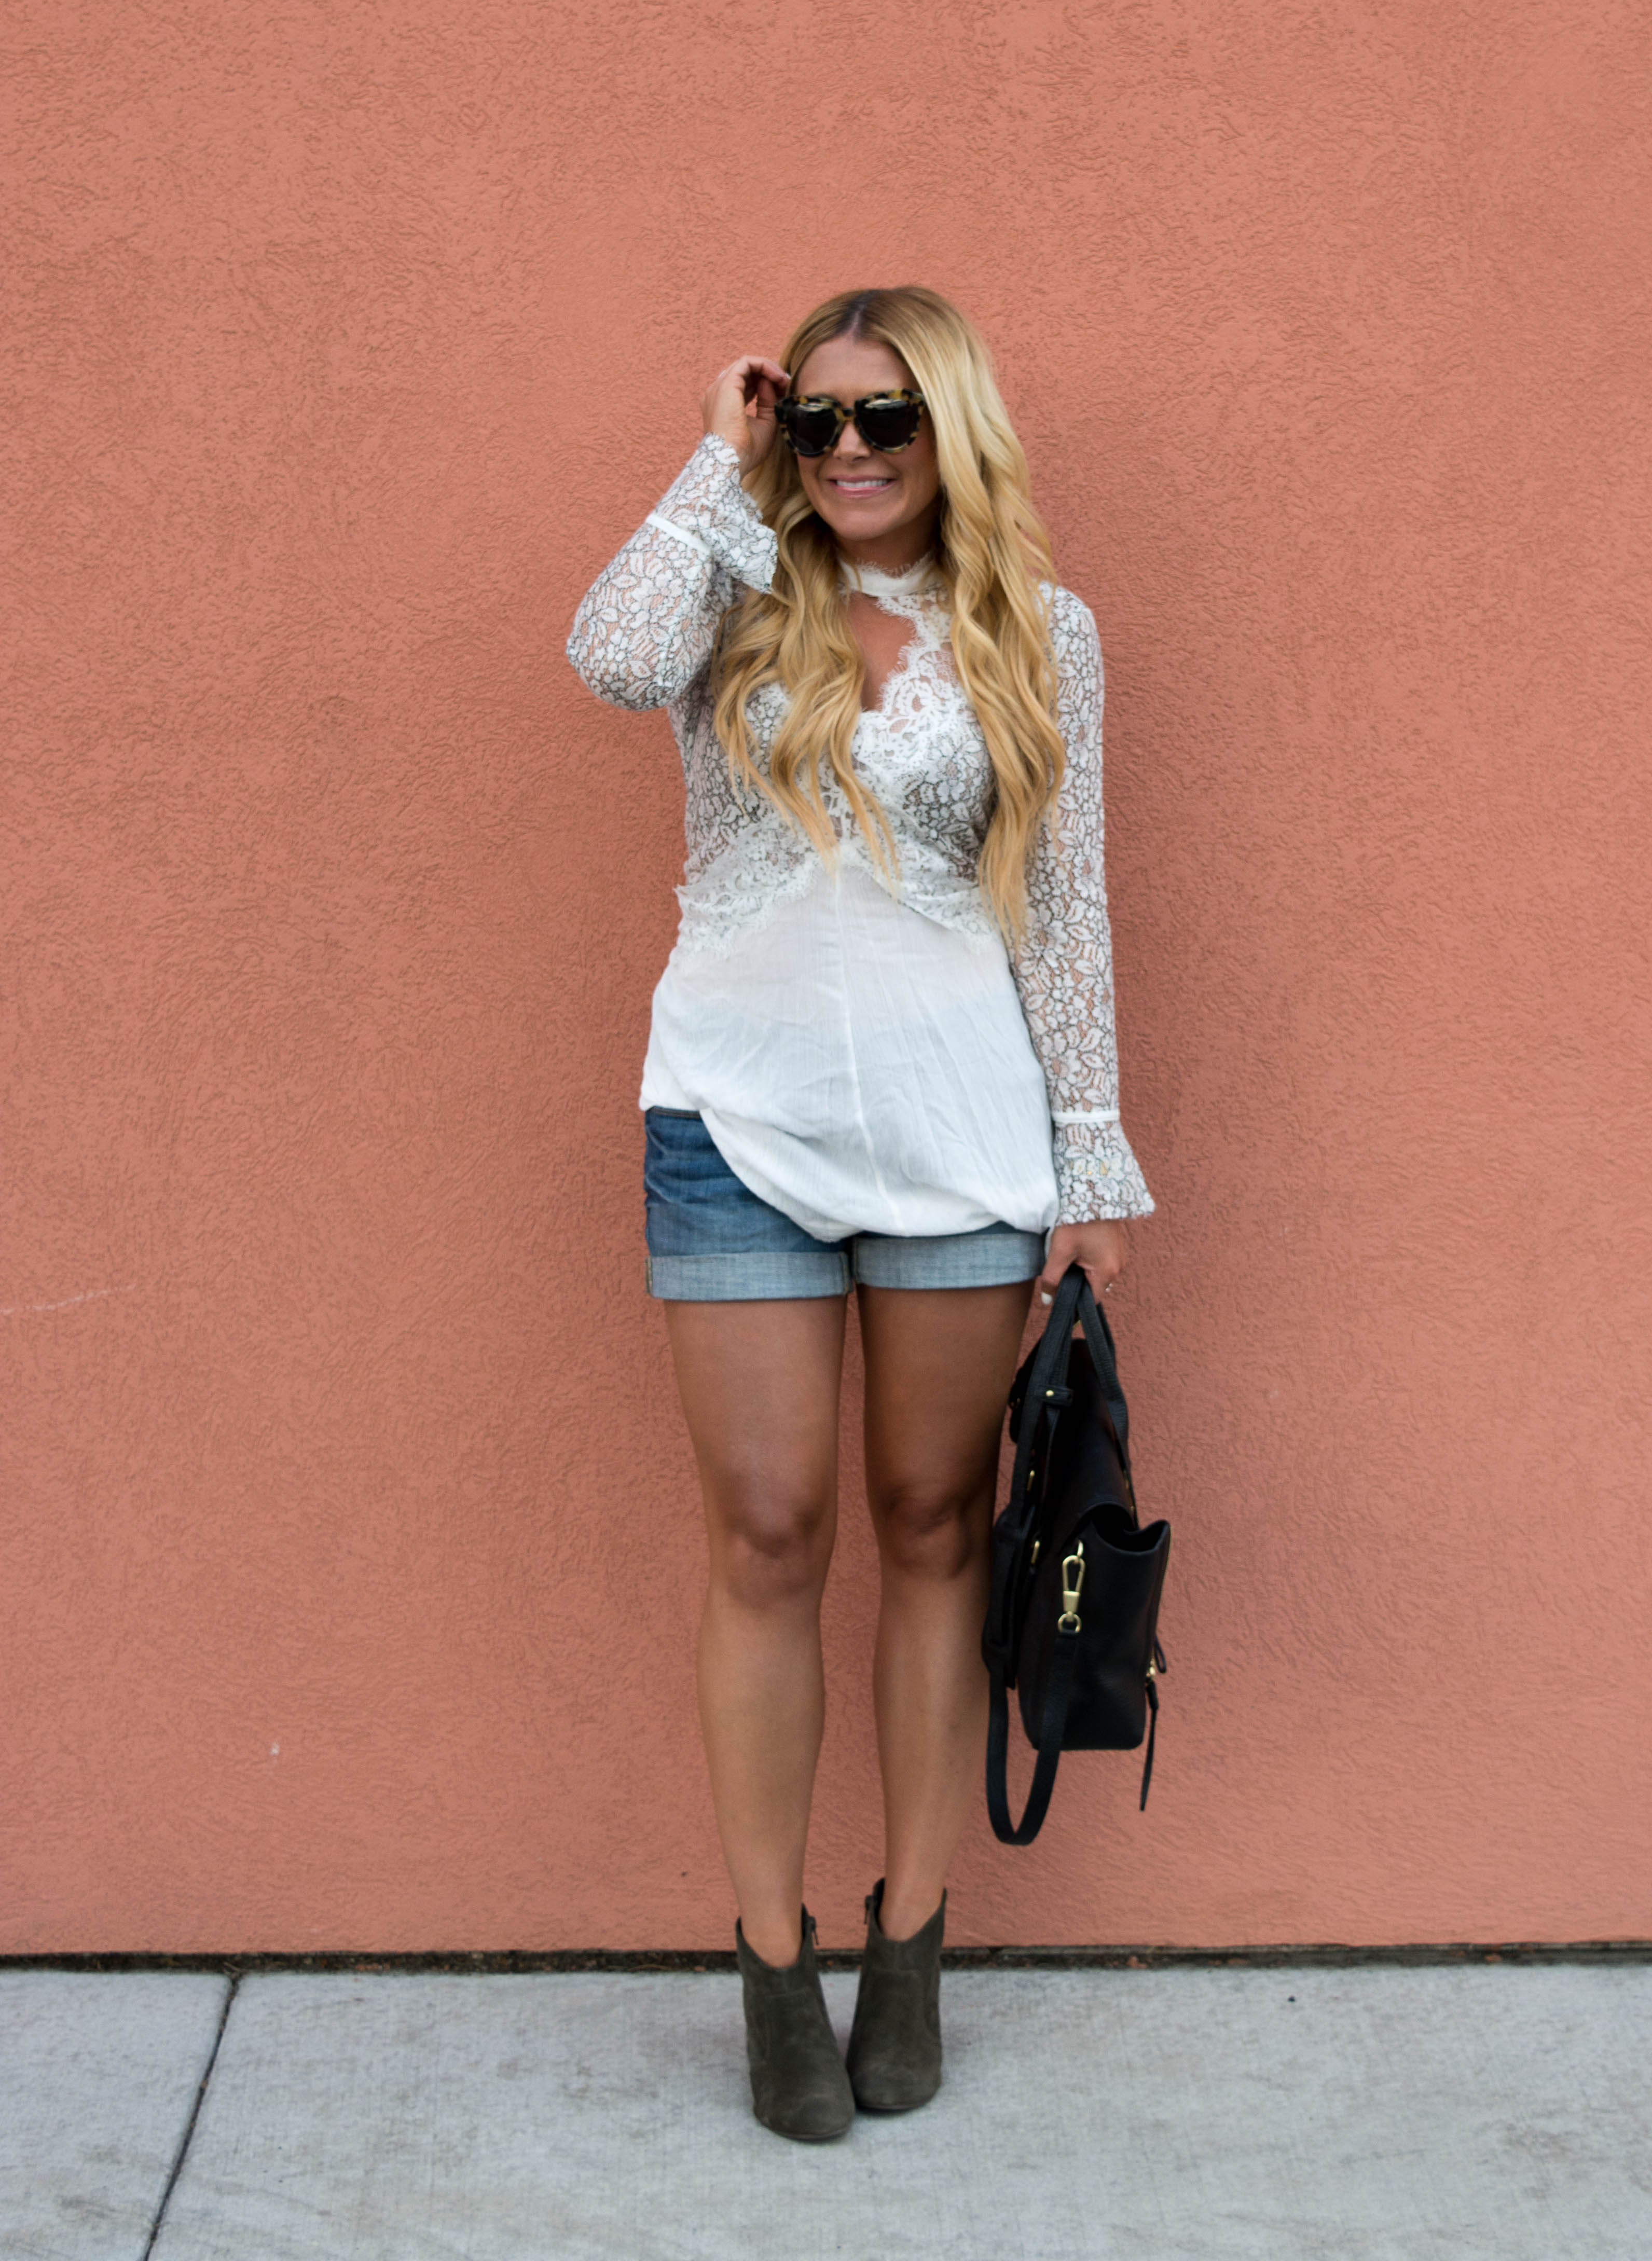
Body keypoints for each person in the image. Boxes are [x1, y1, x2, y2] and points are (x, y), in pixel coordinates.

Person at [566, 286, 1152, 2140]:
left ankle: (911, 1936)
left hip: (959, 1131)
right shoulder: (733, 590)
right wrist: (713, 465)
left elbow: (1065, 901)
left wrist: (1091, 1160)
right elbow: (608, 658)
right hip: (731, 1118)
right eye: (813, 420)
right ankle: (770, 1959)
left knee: (930, 1525)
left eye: (884, 416)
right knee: (765, 1531)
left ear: (949, 425)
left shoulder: (1039, 628)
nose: (848, 451)